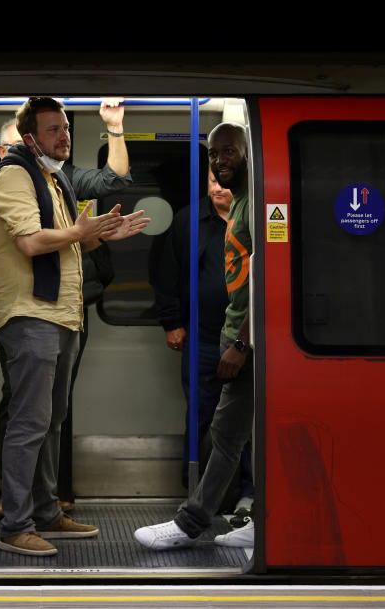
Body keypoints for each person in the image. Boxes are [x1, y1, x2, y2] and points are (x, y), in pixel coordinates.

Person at [0, 97, 149, 556]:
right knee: (29, 421)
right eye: (53, 129)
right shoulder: (15, 175)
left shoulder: (53, 181)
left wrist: (100, 234)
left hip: (62, 313)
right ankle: (16, 526)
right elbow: (32, 242)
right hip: (31, 313)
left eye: (66, 128)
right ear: (29, 137)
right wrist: (79, 232)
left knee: (51, 421)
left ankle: (47, 512)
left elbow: (66, 244)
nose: (64, 137)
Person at [134, 122, 256, 550]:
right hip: (215, 338)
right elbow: (167, 275)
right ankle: (216, 515)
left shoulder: (257, 208)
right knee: (222, 431)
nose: (220, 162)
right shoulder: (205, 216)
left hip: (249, 344)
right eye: (214, 156)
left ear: (249, 154)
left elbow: (266, 282)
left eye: (230, 153)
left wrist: (242, 342)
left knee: (237, 432)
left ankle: (224, 515)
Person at [153, 169, 255, 517]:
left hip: (247, 337)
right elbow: (168, 273)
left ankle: (247, 493)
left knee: (242, 419)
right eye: (211, 180)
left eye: (222, 181)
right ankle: (196, 493)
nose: (216, 187)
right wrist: (172, 322)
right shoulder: (189, 220)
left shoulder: (253, 215)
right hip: (203, 335)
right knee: (200, 414)